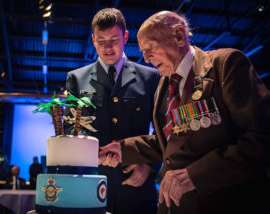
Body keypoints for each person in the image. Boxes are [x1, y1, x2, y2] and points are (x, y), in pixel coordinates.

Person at [99, 10, 270, 214]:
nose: (145, 58)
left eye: (150, 47)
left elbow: (262, 138)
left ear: (179, 36)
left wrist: (194, 175)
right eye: (143, 51)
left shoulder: (225, 65)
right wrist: (123, 148)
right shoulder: (164, 84)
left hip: (224, 203)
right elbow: (169, 142)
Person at [64, 8, 161, 214]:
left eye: (114, 40)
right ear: (92, 39)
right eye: (101, 41)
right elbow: (69, 129)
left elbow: (163, 130)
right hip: (90, 186)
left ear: (125, 37)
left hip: (136, 185)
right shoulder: (76, 79)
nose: (108, 47)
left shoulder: (151, 77)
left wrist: (149, 167)